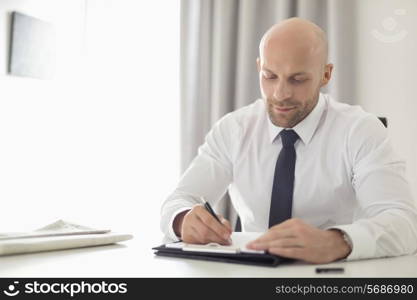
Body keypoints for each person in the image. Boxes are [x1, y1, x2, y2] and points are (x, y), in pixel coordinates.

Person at [160, 17, 417, 263]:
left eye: (297, 79)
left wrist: (337, 242)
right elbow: (178, 200)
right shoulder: (234, 129)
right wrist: (183, 220)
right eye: (269, 76)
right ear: (259, 68)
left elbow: (404, 223)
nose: (280, 94)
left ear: (326, 75)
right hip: (250, 275)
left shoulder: (360, 130)